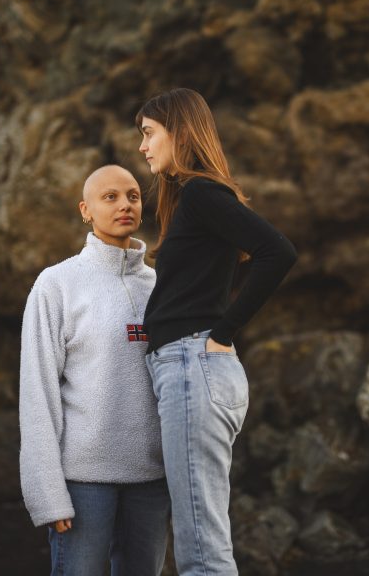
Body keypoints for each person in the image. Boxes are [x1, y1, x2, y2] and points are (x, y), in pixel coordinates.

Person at [136, 88, 298, 575]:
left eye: (148, 134)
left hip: (194, 367)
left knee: (202, 552)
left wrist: (222, 333)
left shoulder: (203, 192)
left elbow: (278, 252)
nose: (143, 147)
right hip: (193, 370)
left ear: (178, 132)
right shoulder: (192, 199)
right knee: (201, 540)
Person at [18, 165, 170, 576]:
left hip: (153, 480)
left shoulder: (159, 287)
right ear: (85, 210)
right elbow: (38, 393)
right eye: (110, 197)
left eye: (133, 195)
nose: (125, 204)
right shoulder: (57, 284)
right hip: (84, 482)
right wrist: (46, 493)